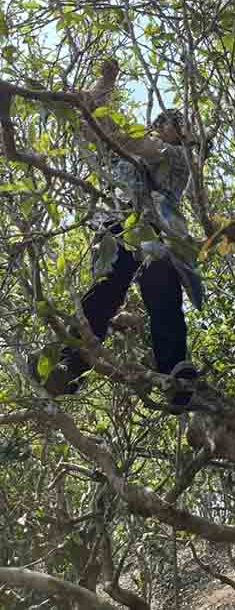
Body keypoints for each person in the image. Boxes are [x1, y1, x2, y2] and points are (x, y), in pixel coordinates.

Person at [23, 59, 203, 411]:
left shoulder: (178, 156)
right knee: (103, 291)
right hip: (115, 222)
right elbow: (95, 128)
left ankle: (176, 374)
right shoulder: (129, 156)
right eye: (164, 121)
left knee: (162, 290)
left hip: (154, 227)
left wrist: (106, 87)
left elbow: (118, 135)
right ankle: (71, 363)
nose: (165, 127)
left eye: (173, 123)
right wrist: (100, 87)